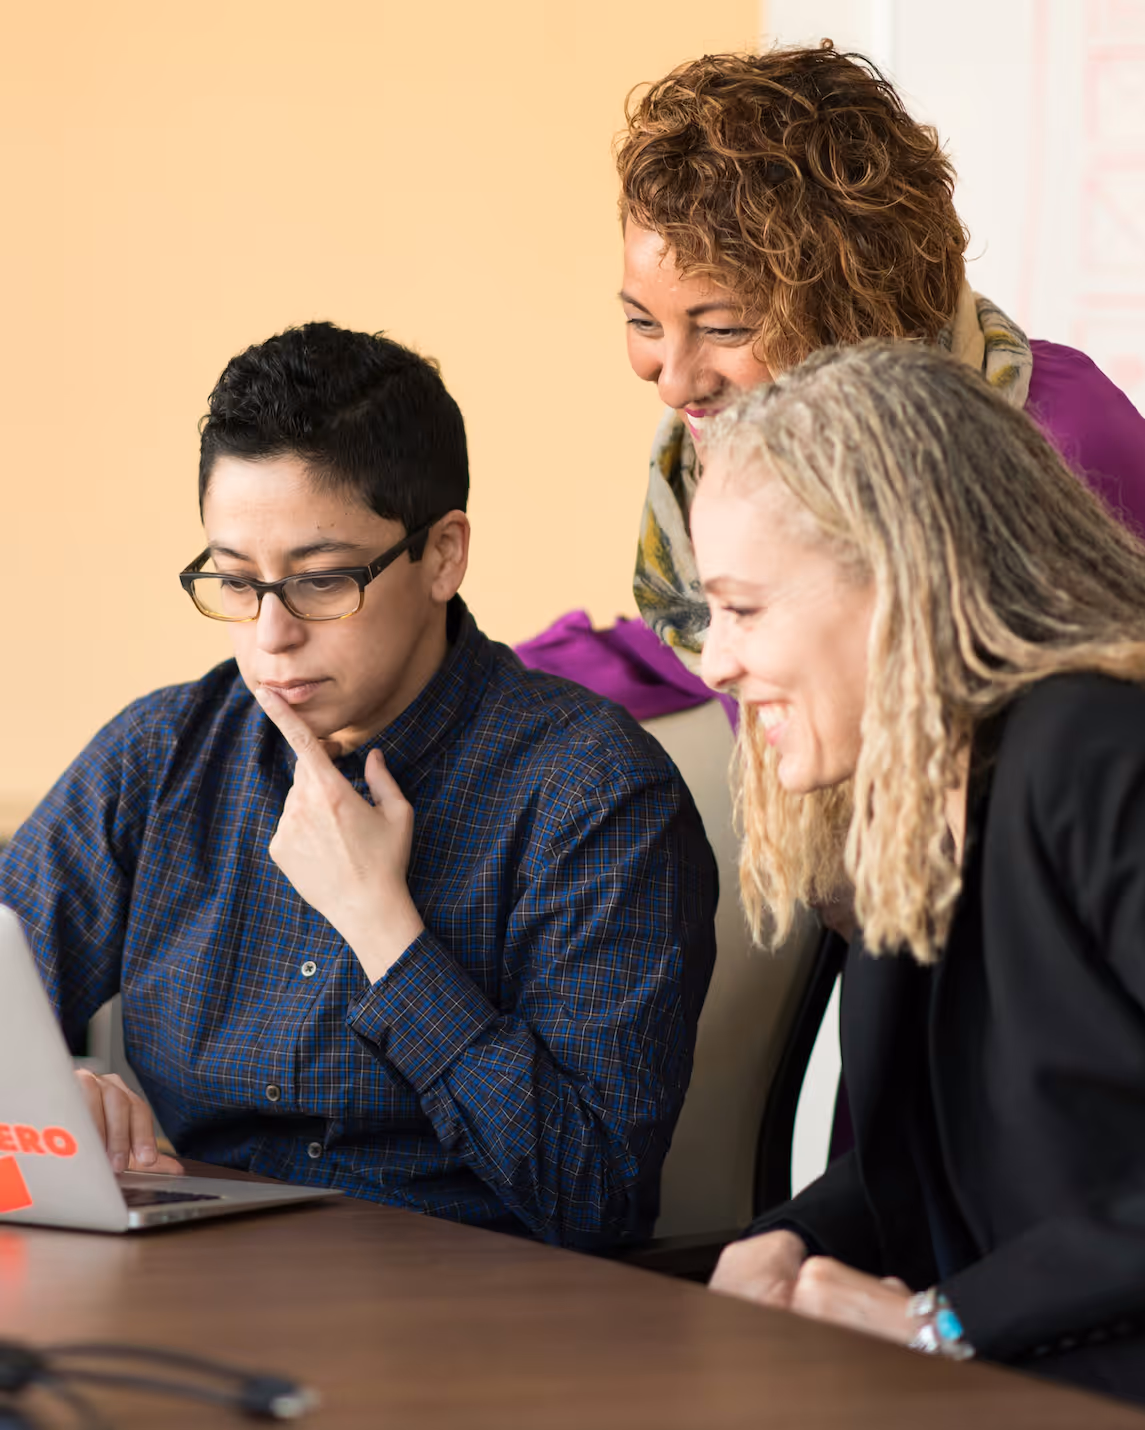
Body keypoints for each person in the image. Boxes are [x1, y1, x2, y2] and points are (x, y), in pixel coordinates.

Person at [692, 340, 1145, 1430]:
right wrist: (791, 1241)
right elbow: (934, 1158)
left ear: (899, 580)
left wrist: (947, 1323)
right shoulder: (916, 788)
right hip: (1099, 1348)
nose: (713, 661)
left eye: (742, 610)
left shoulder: (1127, 754)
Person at [615, 41, 1145, 917]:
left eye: (721, 328)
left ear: (846, 308)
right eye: (642, 320)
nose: (672, 381)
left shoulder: (1057, 441)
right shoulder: (724, 458)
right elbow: (726, 631)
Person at [0, 321, 717, 1248]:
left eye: (321, 581)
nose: (271, 636)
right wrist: (52, 1102)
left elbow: (593, 1198)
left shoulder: (592, 793)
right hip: (193, 1296)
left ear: (443, 555)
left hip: (472, 1322)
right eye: (234, 581)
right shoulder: (164, 755)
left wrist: (384, 927)